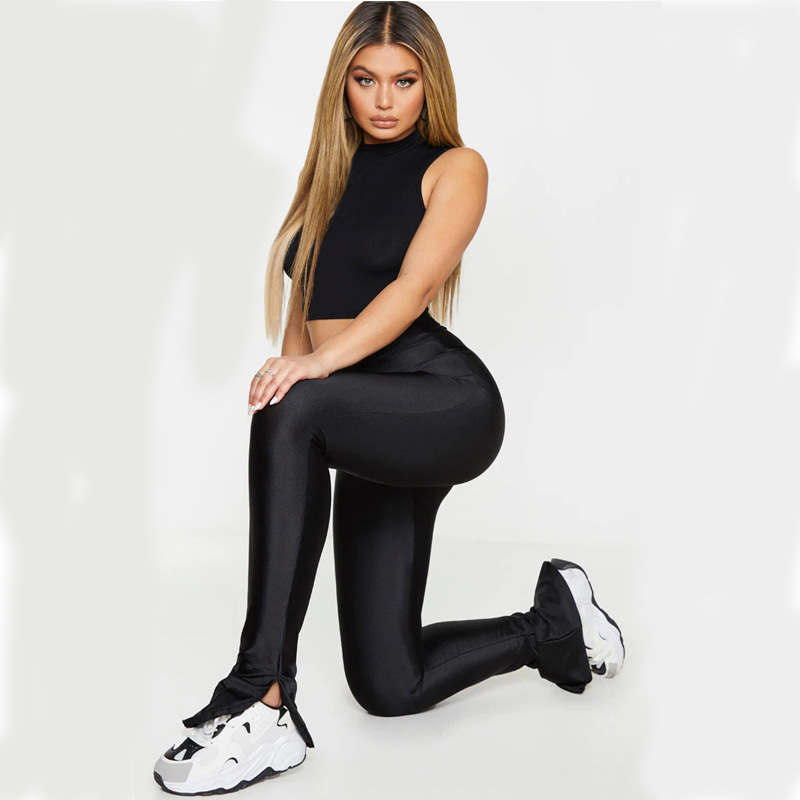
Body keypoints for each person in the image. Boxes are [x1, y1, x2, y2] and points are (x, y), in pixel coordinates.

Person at [153, 2, 625, 795]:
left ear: (428, 84)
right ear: (341, 85)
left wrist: (310, 378)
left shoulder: (455, 167)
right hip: (367, 415)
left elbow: (410, 292)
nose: (383, 100)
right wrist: (294, 379)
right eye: (365, 80)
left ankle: (261, 695)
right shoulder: (321, 186)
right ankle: (554, 626)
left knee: (297, 404)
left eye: (404, 81)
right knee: (389, 684)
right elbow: (301, 330)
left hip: (443, 403)